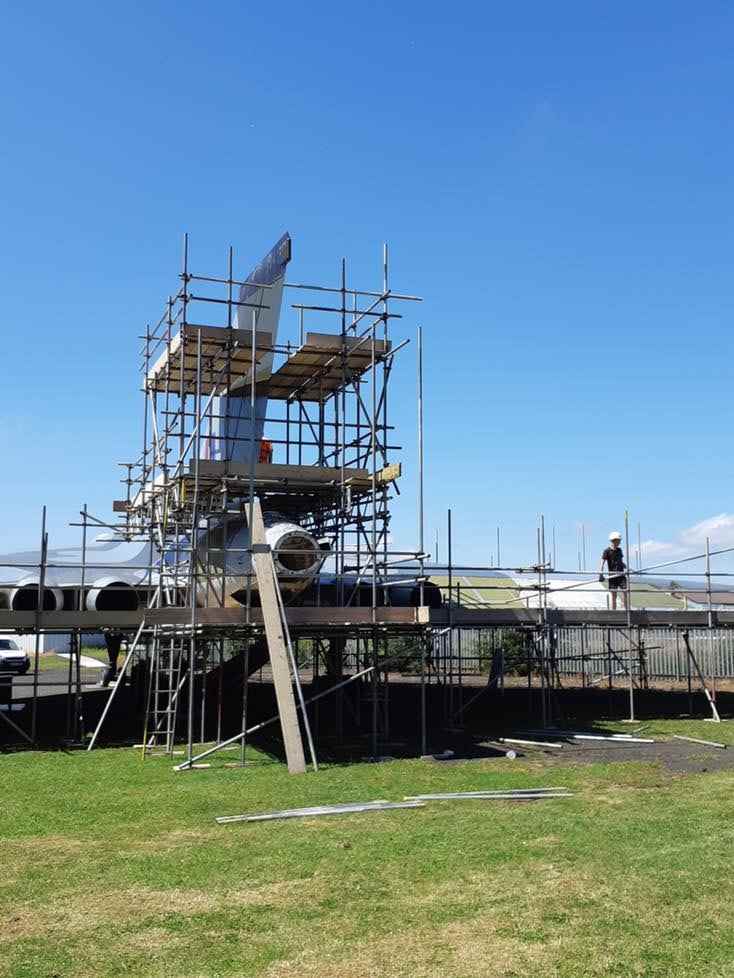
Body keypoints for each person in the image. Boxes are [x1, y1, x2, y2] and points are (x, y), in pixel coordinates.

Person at [599, 531, 627, 610]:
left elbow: (621, 562)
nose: (619, 542)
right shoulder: (607, 551)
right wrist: (600, 574)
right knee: (614, 596)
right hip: (612, 576)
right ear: (613, 540)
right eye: (618, 541)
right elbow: (602, 562)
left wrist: (627, 568)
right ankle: (614, 613)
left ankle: (627, 611)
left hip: (621, 575)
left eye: (620, 541)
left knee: (625, 592)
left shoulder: (619, 550)